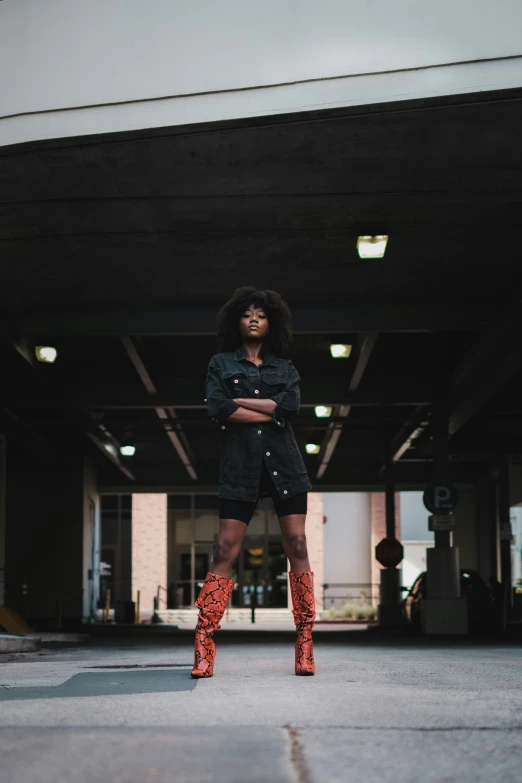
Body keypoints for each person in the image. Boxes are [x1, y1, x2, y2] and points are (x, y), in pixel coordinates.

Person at [191, 287, 315, 678]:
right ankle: (204, 644)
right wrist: (273, 411)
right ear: (237, 322)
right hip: (240, 466)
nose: (254, 318)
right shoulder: (220, 364)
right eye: (247, 314)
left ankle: (305, 642)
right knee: (224, 546)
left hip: (285, 465)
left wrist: (248, 406)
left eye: (261, 313)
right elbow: (218, 407)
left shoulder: (286, 368)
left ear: (271, 322)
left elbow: (291, 407)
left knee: (297, 542)